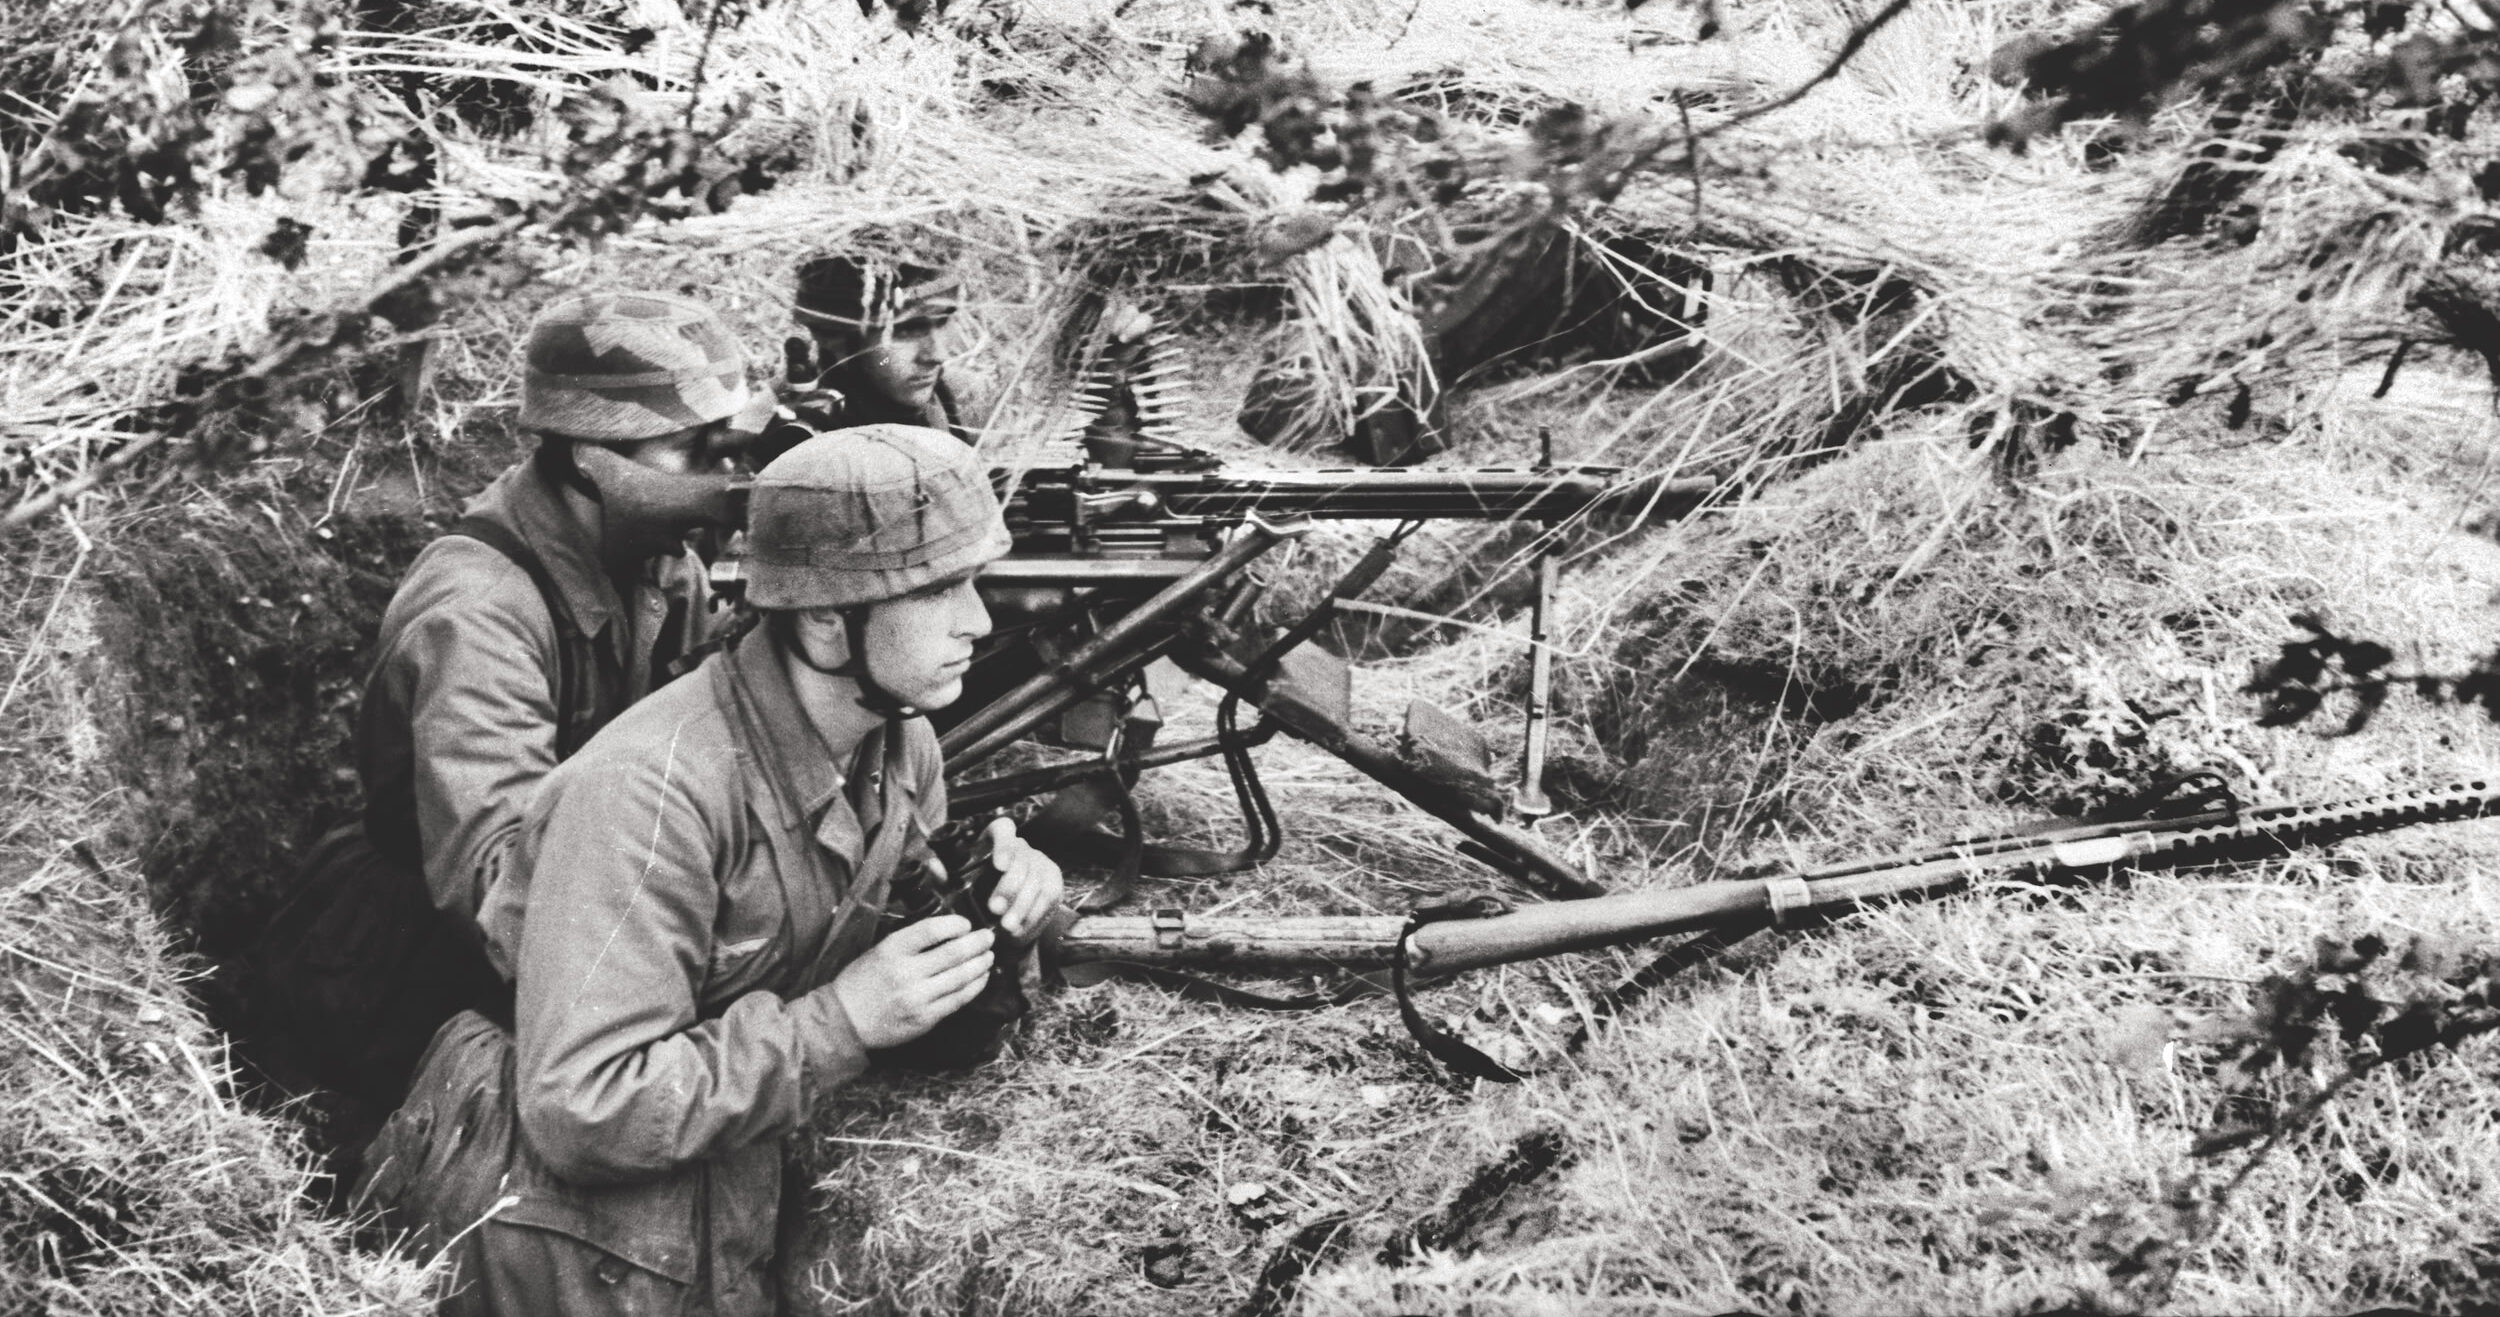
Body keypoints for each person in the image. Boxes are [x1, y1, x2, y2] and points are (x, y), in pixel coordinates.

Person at [355, 423, 1065, 1316]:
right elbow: (582, 1105)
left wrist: (1006, 919)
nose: (980, 621)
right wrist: (841, 1023)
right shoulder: (650, 792)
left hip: (723, 1189)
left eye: (974, 582)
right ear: (824, 622)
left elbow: (894, 986)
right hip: (554, 1240)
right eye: (939, 589)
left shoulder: (898, 744)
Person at [251, 289, 761, 1112]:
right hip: (412, 955)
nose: (722, 478)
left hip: (580, 896)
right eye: (691, 449)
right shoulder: (479, 609)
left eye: (727, 445)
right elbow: (500, 895)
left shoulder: (657, 560)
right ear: (593, 459)